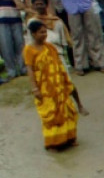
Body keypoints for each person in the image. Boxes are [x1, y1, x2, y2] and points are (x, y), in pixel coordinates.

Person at [24, 19, 81, 150]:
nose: (44, 35)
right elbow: (30, 70)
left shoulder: (50, 47)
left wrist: (65, 81)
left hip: (58, 84)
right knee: (52, 114)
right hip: (45, 87)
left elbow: (59, 65)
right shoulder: (29, 50)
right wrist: (34, 88)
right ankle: (55, 141)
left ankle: (70, 137)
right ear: (33, 34)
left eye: (45, 32)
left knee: (66, 110)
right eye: (41, 32)